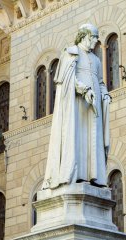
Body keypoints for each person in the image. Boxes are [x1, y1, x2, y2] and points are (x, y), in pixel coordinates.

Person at [42, 24, 111, 189]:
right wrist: (83, 90)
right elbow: (66, 79)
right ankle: (77, 174)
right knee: (77, 138)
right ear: (84, 36)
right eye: (93, 37)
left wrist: (105, 94)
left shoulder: (95, 60)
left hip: (94, 108)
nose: (95, 41)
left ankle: (93, 176)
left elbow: (100, 82)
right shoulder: (71, 53)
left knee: (93, 140)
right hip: (77, 105)